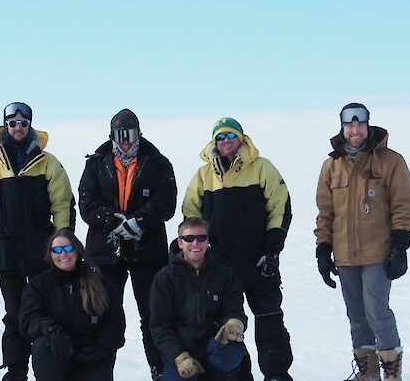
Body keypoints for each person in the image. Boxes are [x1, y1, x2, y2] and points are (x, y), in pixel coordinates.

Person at [0, 101, 76, 380]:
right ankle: (15, 371)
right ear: (5, 125)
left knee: (48, 308)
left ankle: (51, 367)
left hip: (42, 249)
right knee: (14, 314)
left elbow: (62, 203)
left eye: (23, 123)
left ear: (30, 125)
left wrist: (63, 237)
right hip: (6, 250)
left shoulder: (48, 162)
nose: (18, 127)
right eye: (13, 123)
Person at [182, 117, 293, 381]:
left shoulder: (262, 168)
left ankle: (276, 375)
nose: (226, 141)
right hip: (217, 266)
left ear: (242, 138)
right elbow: (190, 216)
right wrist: (196, 254)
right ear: (214, 142)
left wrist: (272, 250)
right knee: (224, 327)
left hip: (258, 261)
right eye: (220, 137)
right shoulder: (203, 175)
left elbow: (280, 207)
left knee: (269, 321)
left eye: (231, 135)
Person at [314, 103, 410, 381]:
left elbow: (404, 205)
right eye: (350, 126)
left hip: (378, 253)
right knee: (357, 317)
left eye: (360, 125)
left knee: (377, 312)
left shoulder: (390, 161)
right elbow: (325, 212)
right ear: (343, 128)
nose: (355, 131)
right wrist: (323, 250)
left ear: (368, 126)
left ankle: (391, 372)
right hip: (345, 255)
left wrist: (400, 246)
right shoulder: (331, 166)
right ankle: (367, 374)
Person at [78, 108, 177, 379]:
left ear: (139, 133)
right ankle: (99, 371)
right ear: (111, 136)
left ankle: (161, 370)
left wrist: (139, 221)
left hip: (148, 252)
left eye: (130, 134)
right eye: (119, 135)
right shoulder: (96, 163)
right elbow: (87, 203)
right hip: (106, 252)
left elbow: (166, 203)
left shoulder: (158, 163)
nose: (125, 141)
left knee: (154, 314)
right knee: (104, 314)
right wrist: (112, 220)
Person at [149, 218, 253, 381]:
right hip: (182, 350)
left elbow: (234, 309)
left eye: (201, 238)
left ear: (208, 241)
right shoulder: (165, 278)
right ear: (180, 243)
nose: (195, 243)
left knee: (232, 351)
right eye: (189, 238)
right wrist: (180, 356)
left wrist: (234, 322)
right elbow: (160, 326)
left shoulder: (225, 275)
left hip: (216, 346)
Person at [18, 228, 126, 381]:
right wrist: (53, 331)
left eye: (68, 248)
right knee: (42, 345)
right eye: (57, 250)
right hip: (57, 351)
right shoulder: (38, 285)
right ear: (50, 254)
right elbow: (29, 319)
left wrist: (102, 347)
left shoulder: (100, 282)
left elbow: (115, 322)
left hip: (91, 353)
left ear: (77, 251)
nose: (63, 254)